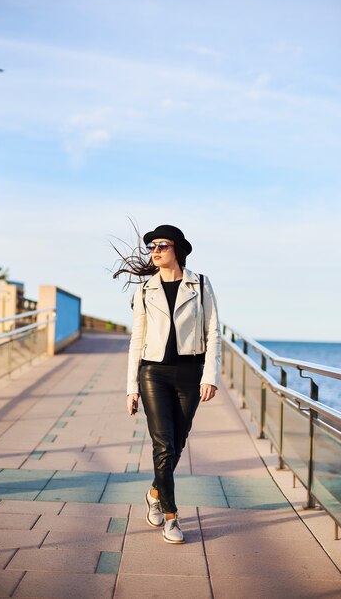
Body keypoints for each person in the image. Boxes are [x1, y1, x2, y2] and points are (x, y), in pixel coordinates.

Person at [114, 224, 221, 544]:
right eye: (151, 247)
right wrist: (131, 386)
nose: (155, 251)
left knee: (177, 443)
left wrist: (210, 375)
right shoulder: (145, 289)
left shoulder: (200, 284)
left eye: (162, 245)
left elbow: (214, 331)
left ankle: (154, 493)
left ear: (178, 249)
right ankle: (171, 517)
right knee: (163, 445)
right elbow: (137, 339)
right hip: (153, 374)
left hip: (190, 372)